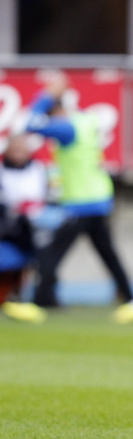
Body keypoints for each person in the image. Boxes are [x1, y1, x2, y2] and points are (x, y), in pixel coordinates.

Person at [25, 75, 133, 324]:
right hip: (98, 198)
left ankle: (37, 303)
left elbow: (30, 123)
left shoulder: (66, 126)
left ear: (58, 109)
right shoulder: (84, 120)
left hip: (81, 202)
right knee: (107, 254)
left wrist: (46, 96)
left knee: (52, 253)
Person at [0, 134, 48, 323]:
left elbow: (44, 195)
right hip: (7, 228)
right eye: (15, 150)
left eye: (22, 150)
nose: (19, 154)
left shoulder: (38, 169)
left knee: (41, 260)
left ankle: (32, 298)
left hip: (33, 226)